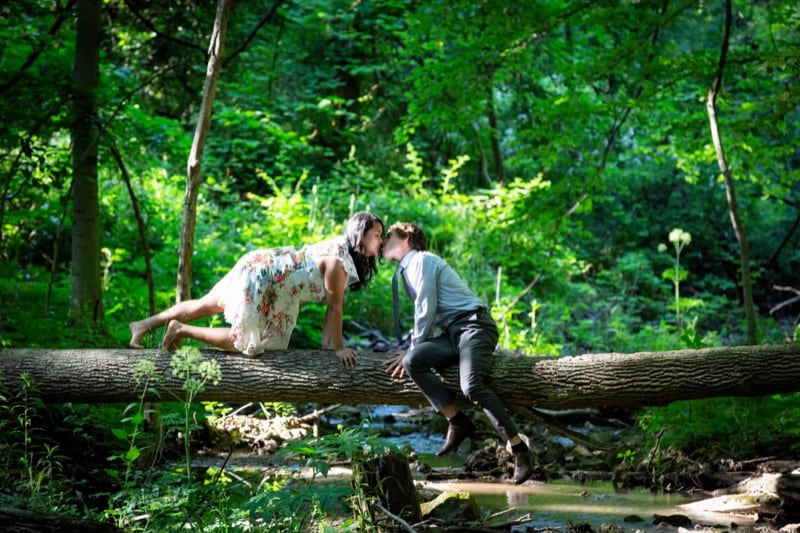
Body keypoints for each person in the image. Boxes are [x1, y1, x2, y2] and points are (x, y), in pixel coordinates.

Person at [129, 211, 384, 368]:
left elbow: (332, 310)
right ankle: (179, 329)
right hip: (268, 276)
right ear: (360, 234)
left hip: (273, 279)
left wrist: (329, 348)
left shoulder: (342, 255)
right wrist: (337, 348)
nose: (380, 241)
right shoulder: (338, 259)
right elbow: (334, 308)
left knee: (215, 310)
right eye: (376, 235)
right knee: (247, 342)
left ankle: (141, 326)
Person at [383, 222, 533, 484]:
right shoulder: (407, 269)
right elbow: (428, 315)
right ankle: (457, 421)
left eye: (390, 237)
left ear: (406, 238)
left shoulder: (421, 259)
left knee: (472, 386)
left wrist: (414, 343)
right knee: (413, 361)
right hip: (452, 333)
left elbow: (425, 306)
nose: (384, 242)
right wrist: (413, 350)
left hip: (474, 325)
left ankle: (519, 448)